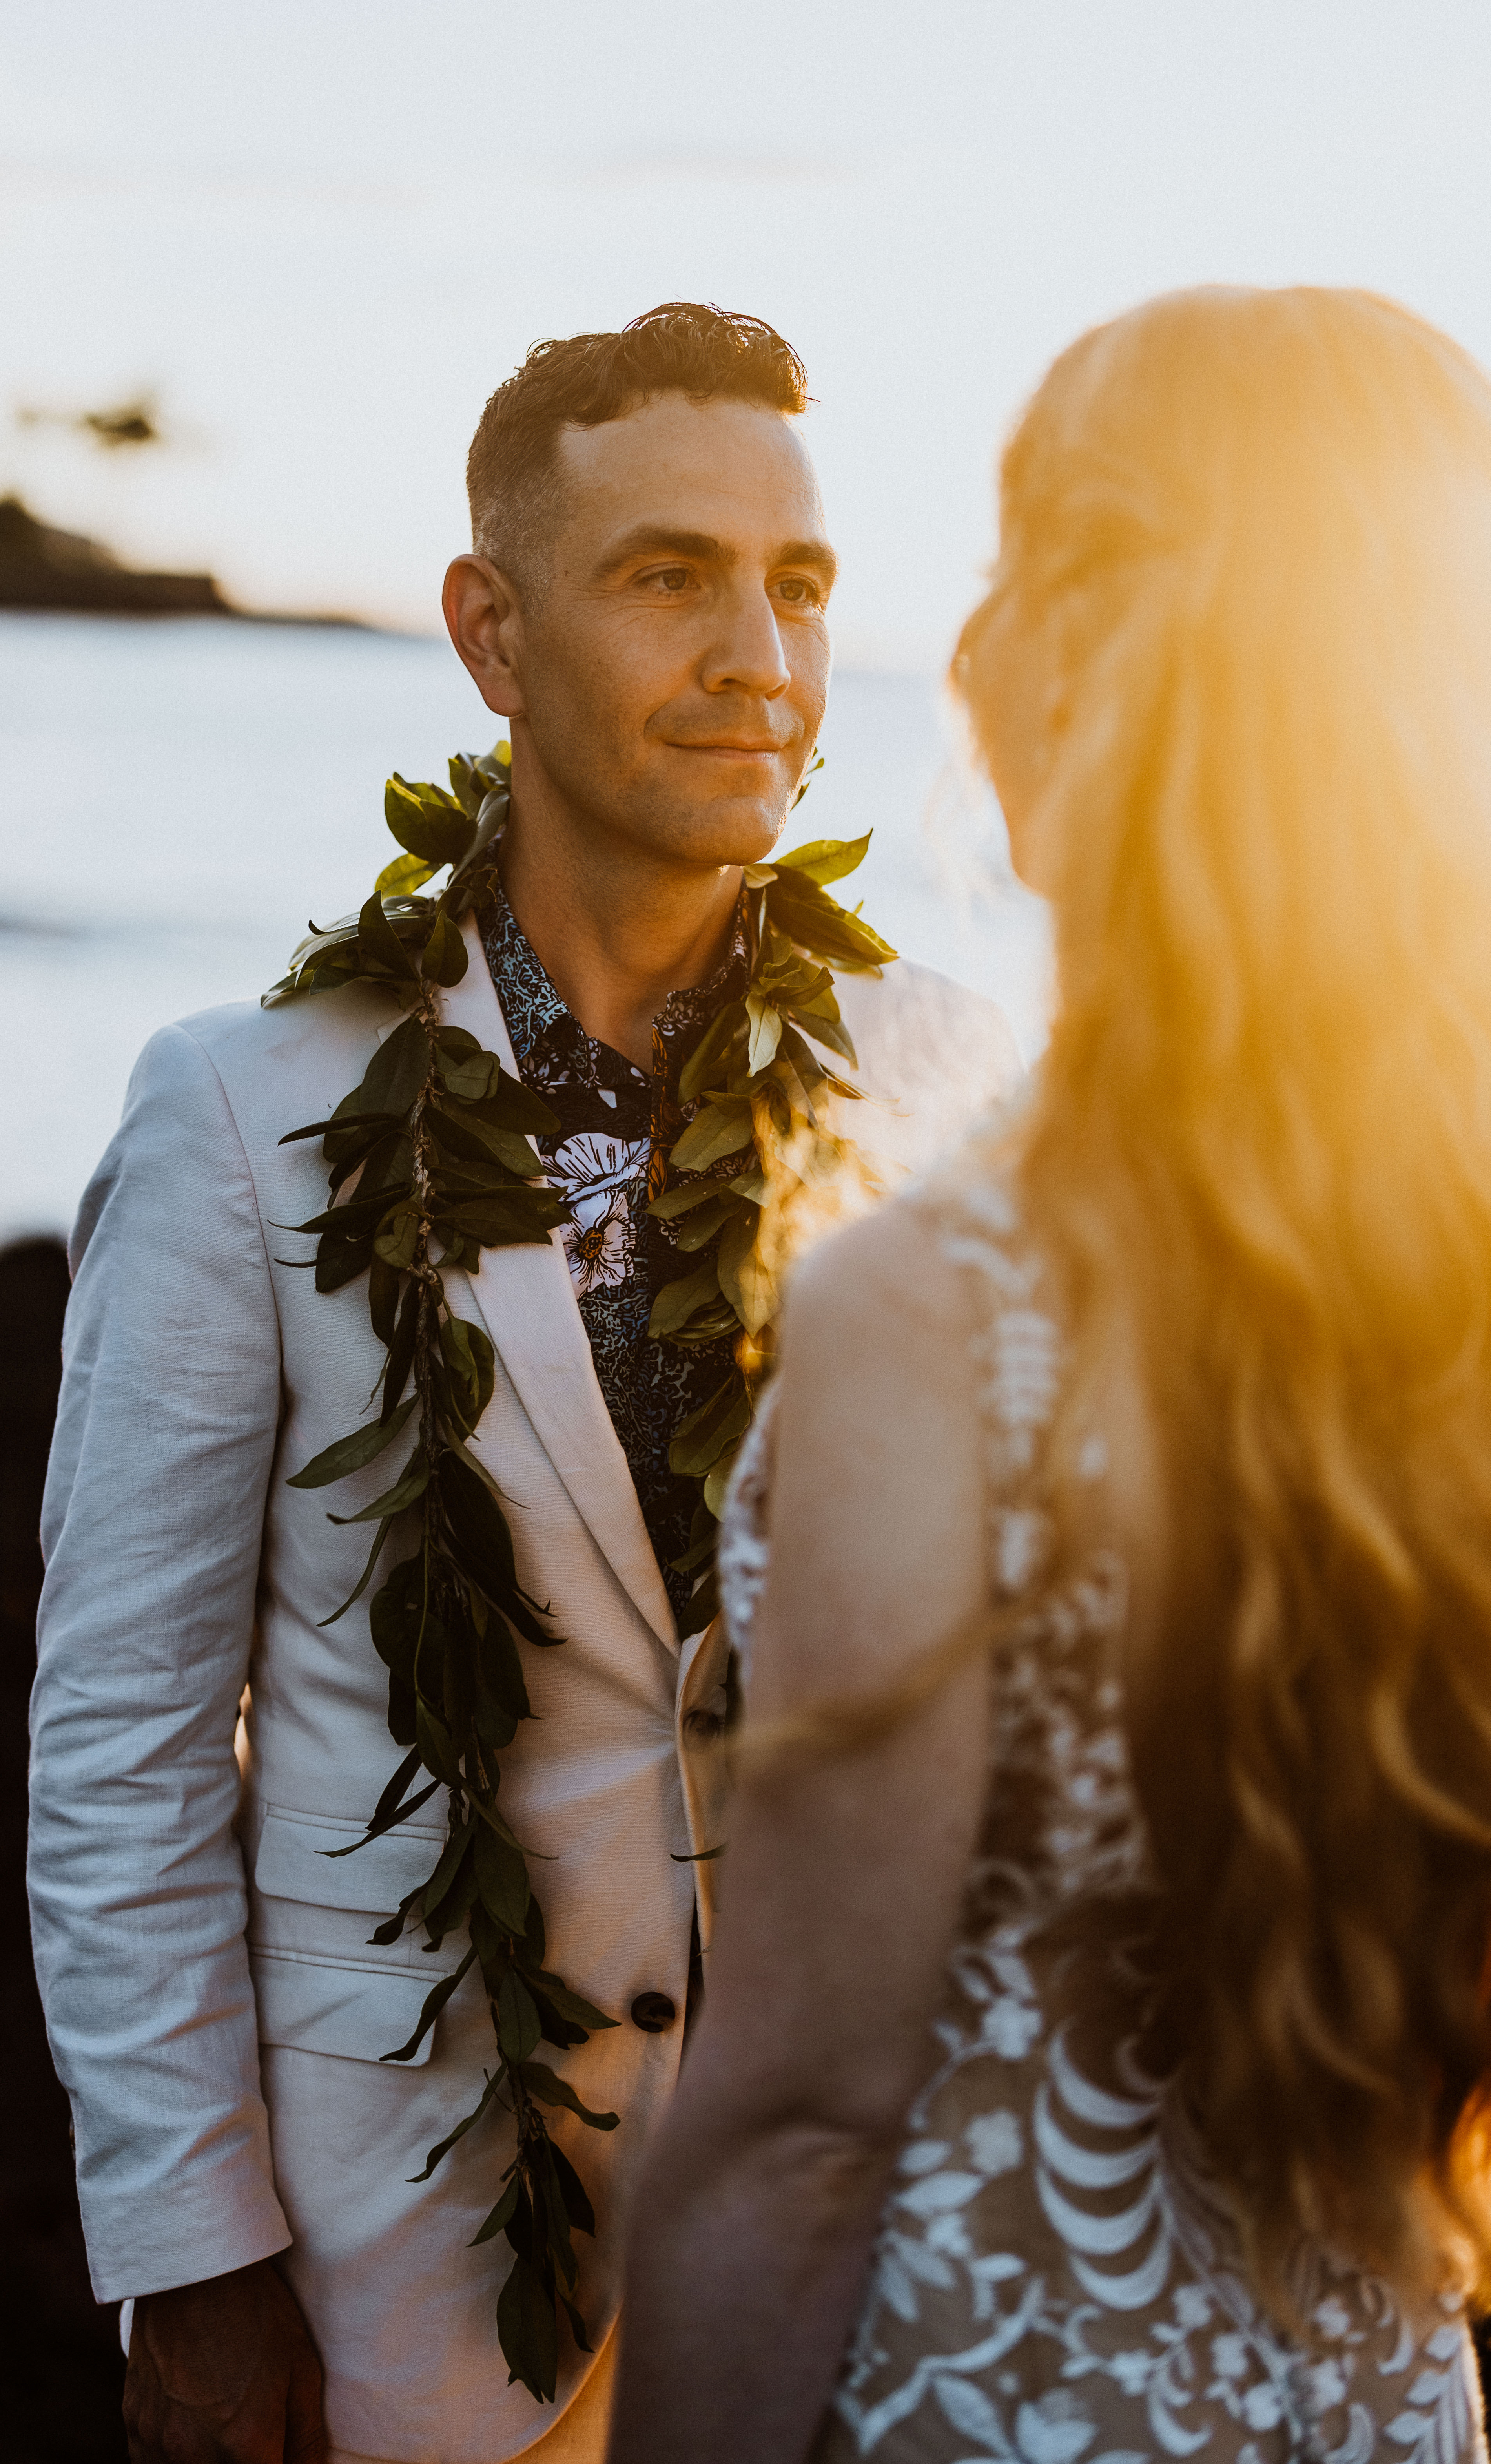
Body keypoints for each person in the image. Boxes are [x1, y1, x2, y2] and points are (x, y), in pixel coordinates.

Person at [27, 301, 1018, 2464]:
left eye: (804, 583)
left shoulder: (960, 1088)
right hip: (413, 2279)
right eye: (670, 574)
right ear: (491, 629)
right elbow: (122, 1731)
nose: (759, 649)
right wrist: (192, 2262)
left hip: (879, 2248)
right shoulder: (239, 1110)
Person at [607, 285, 1491, 2464]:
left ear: (1087, 653)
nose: (965, 638)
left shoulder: (951, 1302)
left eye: (1009, 564)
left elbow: (805, 2126)